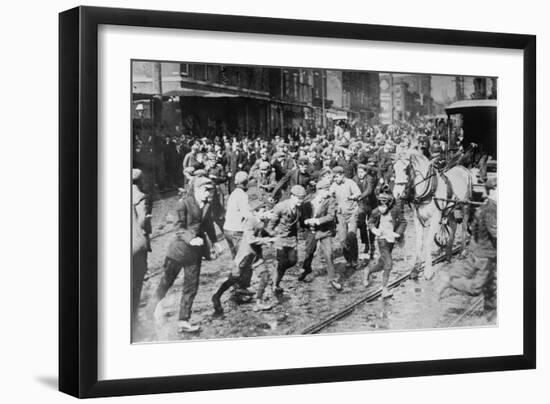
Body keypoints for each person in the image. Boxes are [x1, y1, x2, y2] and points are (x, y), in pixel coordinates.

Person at [148, 177, 223, 333]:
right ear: (196, 189)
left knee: (191, 286)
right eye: (205, 190)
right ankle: (148, 312)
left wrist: (215, 242)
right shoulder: (183, 203)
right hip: (178, 252)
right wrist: (191, 239)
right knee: (165, 283)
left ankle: (183, 320)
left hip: (194, 255)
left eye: (210, 190)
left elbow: (208, 225)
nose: (208, 193)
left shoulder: (207, 205)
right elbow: (178, 228)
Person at [439, 177, 497, 318]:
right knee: (477, 287)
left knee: (491, 287)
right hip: (485, 254)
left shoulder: (488, 206)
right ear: (492, 191)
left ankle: (490, 316)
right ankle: (451, 281)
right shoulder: (490, 209)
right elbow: (496, 232)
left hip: (484, 252)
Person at [211, 201, 274, 316]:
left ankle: (259, 302)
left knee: (265, 275)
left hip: (255, 256)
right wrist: (266, 240)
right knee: (234, 278)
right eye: (262, 210)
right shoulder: (250, 221)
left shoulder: (261, 221)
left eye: (266, 210)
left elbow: (263, 231)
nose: (265, 213)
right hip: (244, 256)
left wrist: (273, 235)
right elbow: (250, 239)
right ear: (255, 212)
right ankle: (217, 296)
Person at [299, 178, 342, 290]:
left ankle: (332, 279)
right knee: (309, 252)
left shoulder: (331, 200)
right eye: (326, 190)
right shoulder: (308, 199)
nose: (328, 192)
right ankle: (306, 270)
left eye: (329, 189)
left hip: (325, 231)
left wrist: (317, 221)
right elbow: (302, 213)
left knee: (329, 254)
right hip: (311, 231)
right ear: (319, 190)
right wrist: (306, 221)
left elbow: (330, 216)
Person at [365, 186, 407, 298]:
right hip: (381, 239)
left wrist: (398, 233)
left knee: (381, 264)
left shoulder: (395, 210)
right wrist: (374, 230)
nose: (381, 207)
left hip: (391, 240)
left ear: (389, 203)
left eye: (384, 204)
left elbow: (403, 222)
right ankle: (384, 289)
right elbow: (370, 222)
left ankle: (368, 271)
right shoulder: (376, 211)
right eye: (380, 204)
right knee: (388, 264)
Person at [265, 185, 307, 295]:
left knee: (293, 261)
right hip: (281, 239)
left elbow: (299, 222)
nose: (301, 201)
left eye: (302, 198)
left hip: (292, 238)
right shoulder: (281, 207)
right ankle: (275, 285)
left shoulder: (299, 207)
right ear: (292, 196)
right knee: (282, 262)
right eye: (299, 198)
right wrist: (271, 236)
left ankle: (276, 273)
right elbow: (271, 224)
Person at [131, 169, 152, 335]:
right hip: (136, 243)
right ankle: (134, 320)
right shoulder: (140, 196)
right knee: (137, 281)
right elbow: (142, 220)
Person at [330, 166, 361, 268]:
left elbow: (358, 193)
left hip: (352, 213)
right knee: (343, 239)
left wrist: (353, 196)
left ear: (342, 175)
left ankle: (355, 260)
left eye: (337, 177)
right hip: (341, 214)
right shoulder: (334, 185)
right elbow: (329, 193)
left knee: (351, 236)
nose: (335, 179)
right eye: (334, 177)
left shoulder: (350, 183)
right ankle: (348, 259)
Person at [354, 162, 377, 258]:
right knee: (361, 223)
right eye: (358, 172)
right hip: (361, 204)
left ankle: (372, 243)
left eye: (362, 172)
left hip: (372, 204)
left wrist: (359, 196)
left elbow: (369, 190)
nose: (360, 174)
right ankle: (366, 243)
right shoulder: (354, 179)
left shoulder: (370, 179)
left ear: (366, 172)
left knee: (371, 224)